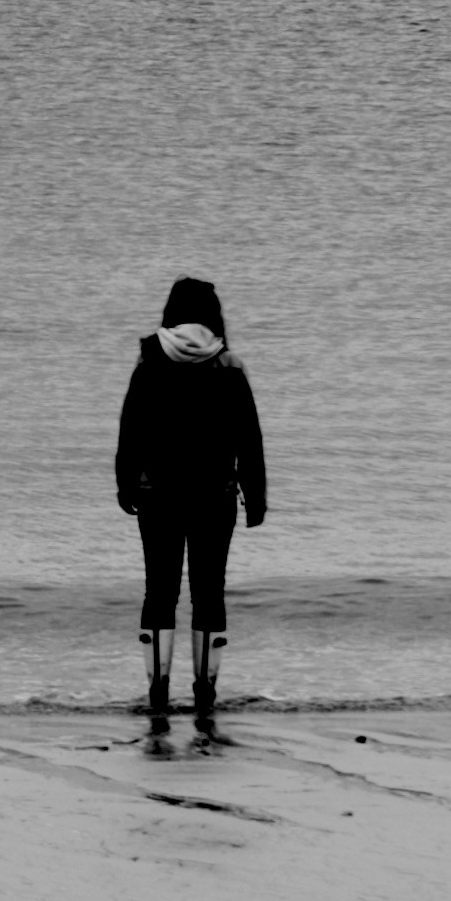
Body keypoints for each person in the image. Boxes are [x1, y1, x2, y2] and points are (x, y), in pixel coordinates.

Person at [115, 276, 268, 728]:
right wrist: (256, 497)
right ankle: (205, 693)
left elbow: (131, 430)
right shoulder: (228, 365)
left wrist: (125, 484)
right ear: (213, 314)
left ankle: (158, 693)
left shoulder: (149, 361)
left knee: (159, 592)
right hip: (214, 496)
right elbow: (249, 437)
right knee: (209, 593)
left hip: (157, 495)